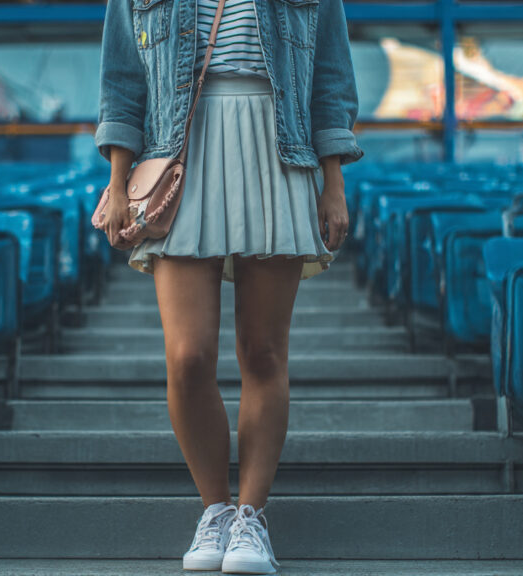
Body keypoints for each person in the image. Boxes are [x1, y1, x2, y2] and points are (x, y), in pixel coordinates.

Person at [94, 0, 363, 573]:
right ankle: (214, 509)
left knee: (262, 352)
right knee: (187, 357)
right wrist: (118, 184)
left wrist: (333, 180)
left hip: (279, 153)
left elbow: (331, 77)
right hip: (180, 153)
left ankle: (250, 518)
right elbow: (122, 81)